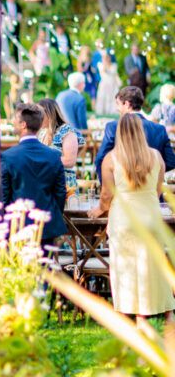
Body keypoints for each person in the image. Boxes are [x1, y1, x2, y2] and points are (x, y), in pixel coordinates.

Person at [88, 114, 175, 326]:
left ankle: (135, 313)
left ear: (119, 132)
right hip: (151, 216)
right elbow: (156, 190)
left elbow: (106, 195)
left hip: (124, 218)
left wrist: (98, 210)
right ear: (140, 132)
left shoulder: (111, 159)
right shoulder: (156, 156)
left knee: (126, 267)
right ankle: (167, 313)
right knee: (154, 265)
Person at [1, 103, 67, 245]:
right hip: (47, 226)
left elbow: (3, 196)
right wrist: (52, 215)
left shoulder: (8, 156)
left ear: (23, 124)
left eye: (15, 119)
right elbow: (60, 193)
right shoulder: (54, 155)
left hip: (17, 226)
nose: (12, 122)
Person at [95, 86, 175, 180]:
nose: (117, 108)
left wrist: (107, 184)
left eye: (118, 104)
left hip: (121, 185)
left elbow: (100, 159)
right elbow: (170, 162)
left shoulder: (113, 127)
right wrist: (152, 175)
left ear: (127, 104)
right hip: (151, 186)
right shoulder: (159, 129)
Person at [37, 99, 85, 193]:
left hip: (63, 185)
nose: (37, 117)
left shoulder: (66, 131)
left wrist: (42, 159)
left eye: (39, 113)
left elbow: (69, 161)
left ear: (49, 113)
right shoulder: (42, 132)